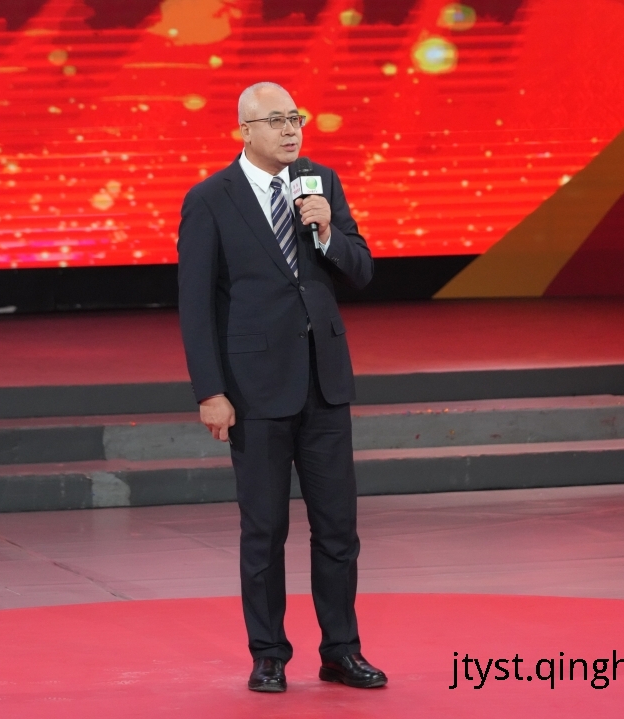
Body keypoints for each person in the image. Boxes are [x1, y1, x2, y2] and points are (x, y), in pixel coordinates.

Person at [177, 82, 386, 693]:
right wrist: (210, 391)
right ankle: (268, 653)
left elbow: (361, 268)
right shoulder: (210, 199)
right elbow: (195, 305)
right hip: (254, 389)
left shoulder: (320, 183)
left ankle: (341, 650)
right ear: (246, 130)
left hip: (324, 383)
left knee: (338, 529)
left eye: (295, 118)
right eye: (276, 121)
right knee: (265, 531)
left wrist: (327, 233)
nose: (291, 130)